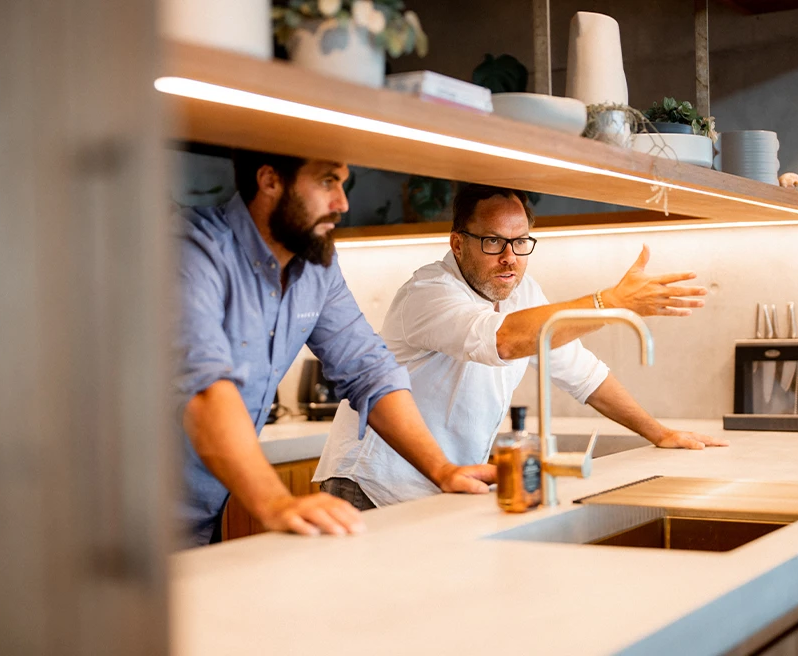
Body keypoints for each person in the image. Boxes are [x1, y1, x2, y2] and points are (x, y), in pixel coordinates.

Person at [314, 184, 729, 509]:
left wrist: (660, 433)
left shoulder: (522, 291)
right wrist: (612, 302)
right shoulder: (429, 292)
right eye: (493, 242)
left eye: (521, 241)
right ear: (458, 244)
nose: (509, 258)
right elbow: (504, 340)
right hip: (371, 485)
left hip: (442, 483)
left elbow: (583, 374)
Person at [174, 151, 494, 546]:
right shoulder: (191, 250)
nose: (343, 203)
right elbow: (203, 389)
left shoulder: (315, 267)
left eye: (343, 183)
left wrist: (443, 470)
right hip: (114, 508)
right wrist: (276, 503)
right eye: (328, 182)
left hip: (203, 513)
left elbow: (369, 371)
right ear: (270, 181)